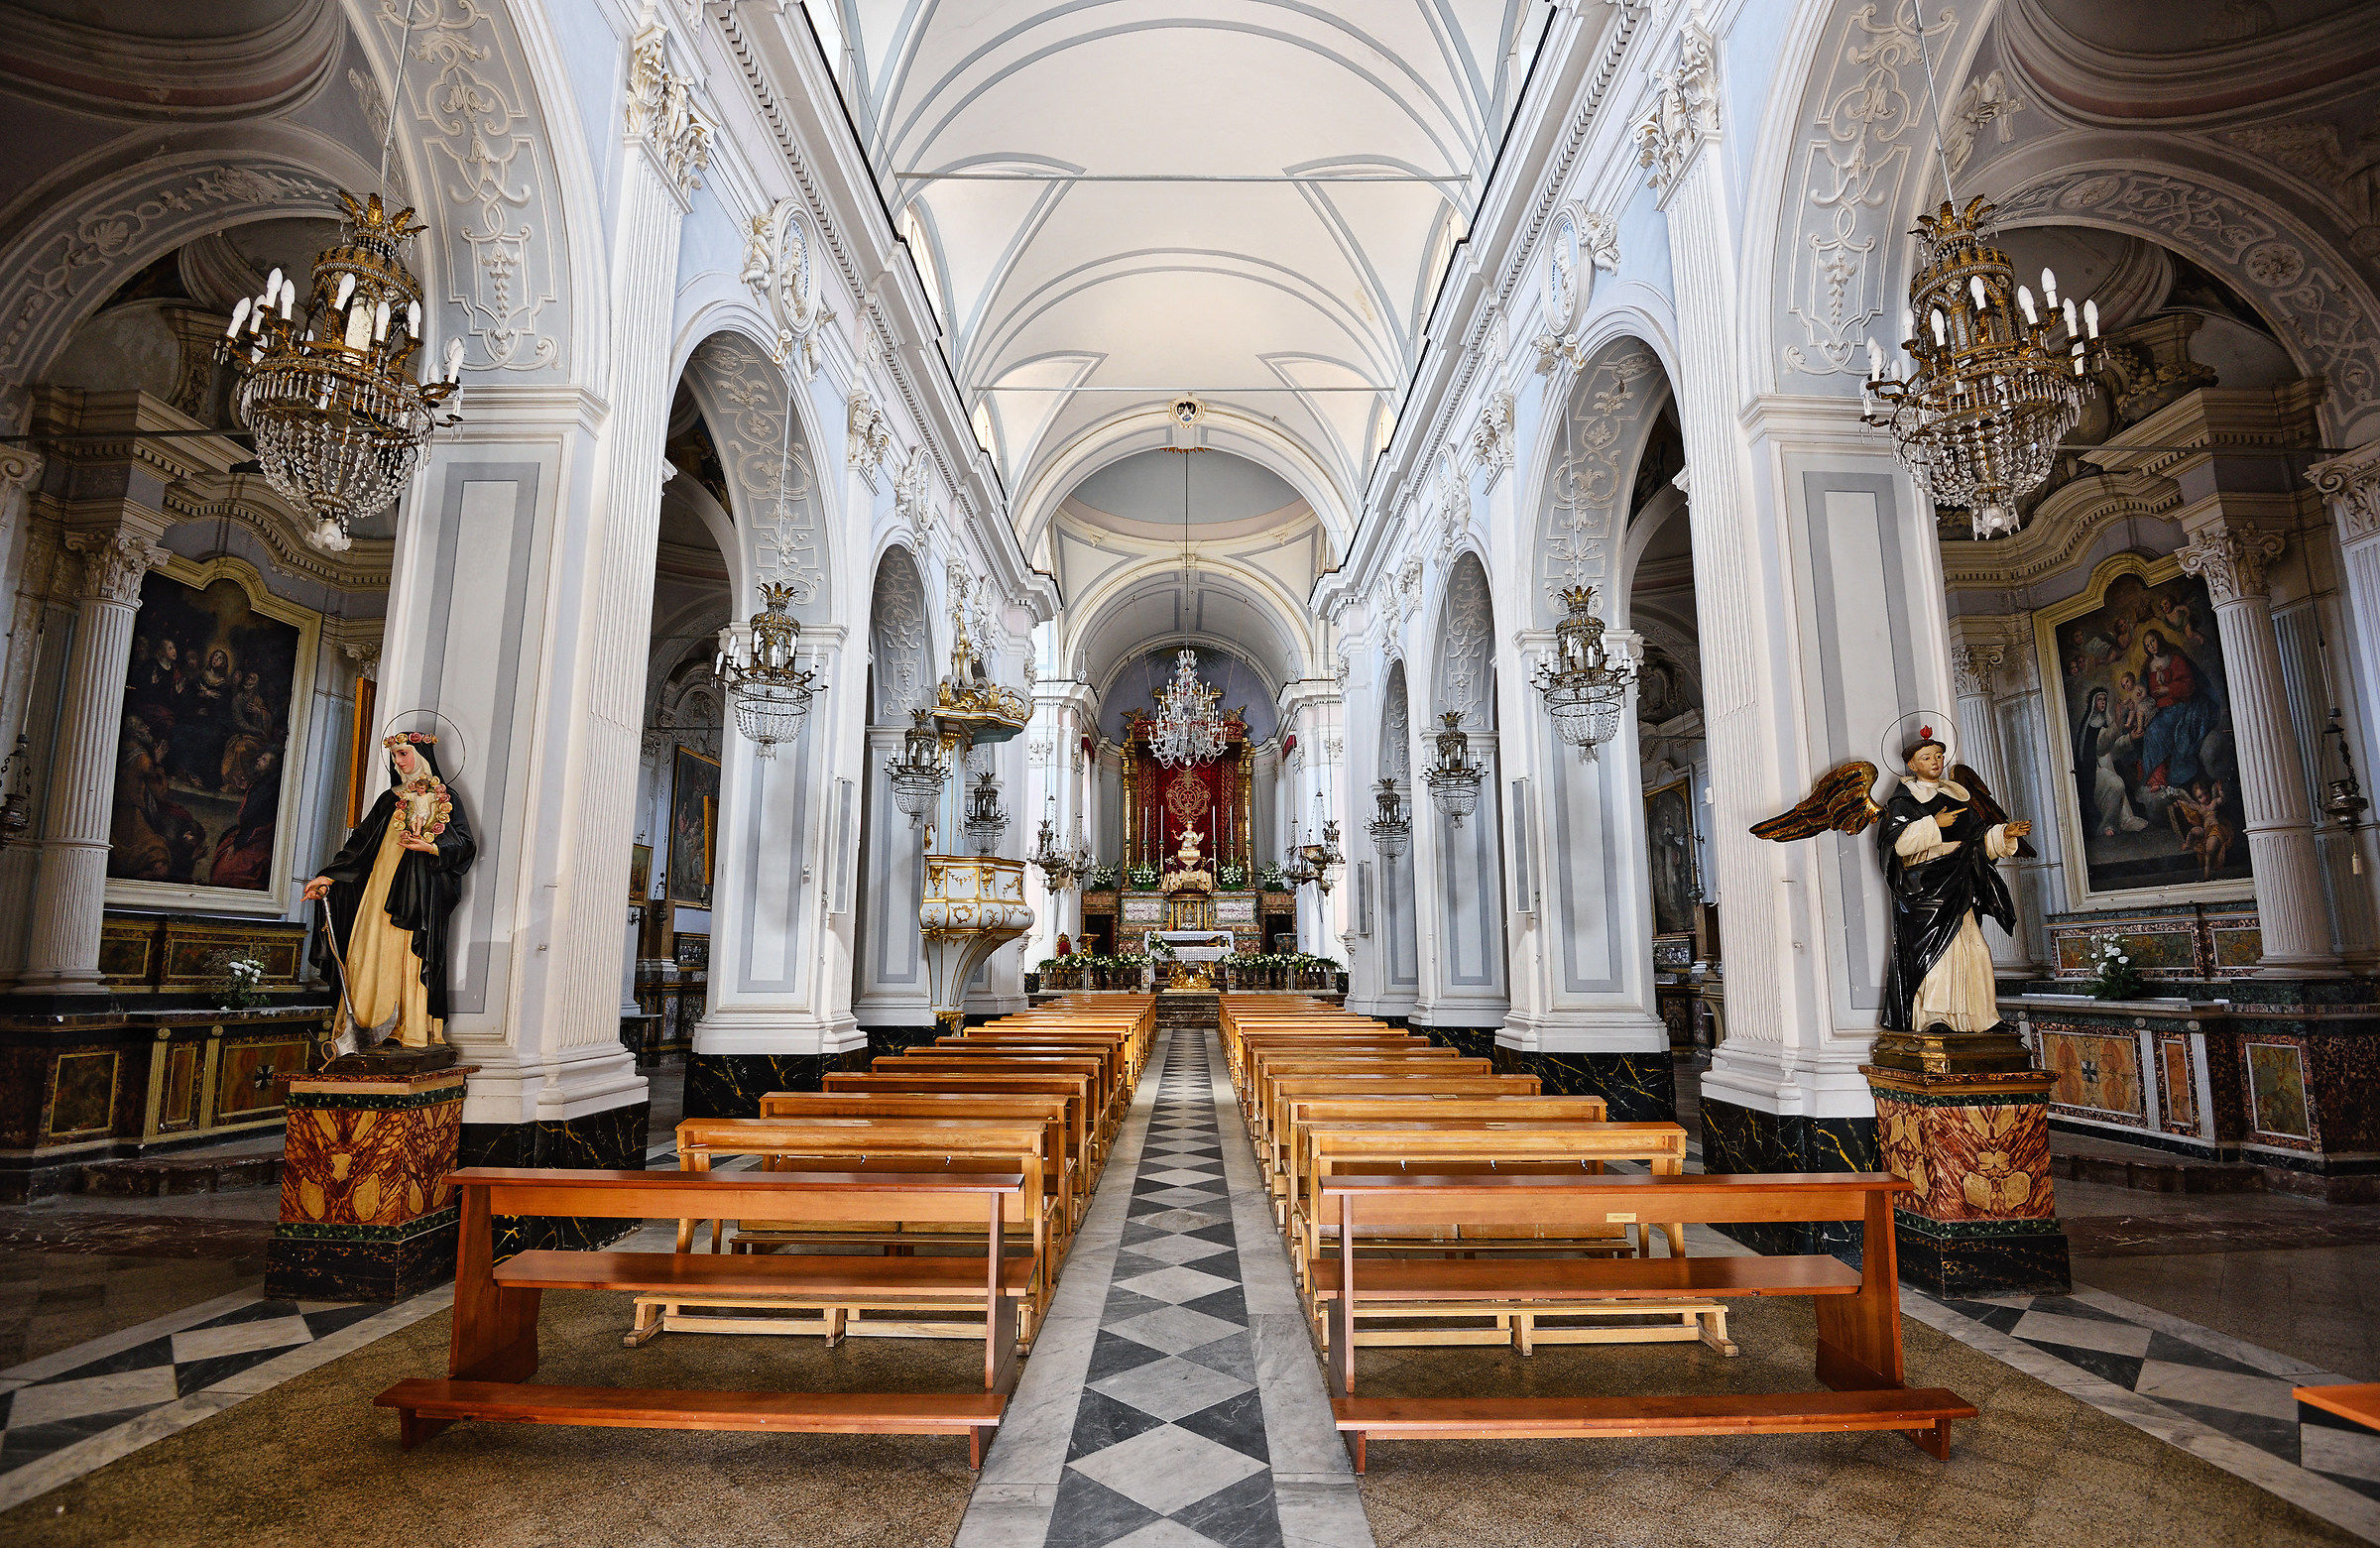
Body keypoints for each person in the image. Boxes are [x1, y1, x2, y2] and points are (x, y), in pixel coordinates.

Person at [304, 733, 476, 1050]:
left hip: (417, 892)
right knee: (368, 951)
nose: (398, 762)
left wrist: (431, 847)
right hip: (378, 890)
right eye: (395, 756)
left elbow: (465, 844)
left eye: (403, 754)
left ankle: (409, 1026)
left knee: (408, 952)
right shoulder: (389, 799)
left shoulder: (444, 797)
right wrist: (329, 877)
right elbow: (360, 846)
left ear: (421, 754)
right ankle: (364, 1025)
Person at [1877, 736, 2033, 1035]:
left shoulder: (1957, 796)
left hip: (1959, 883)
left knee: (1975, 951)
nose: (1935, 762)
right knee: (1937, 955)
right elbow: (1896, 846)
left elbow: (1976, 842)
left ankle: (1982, 1018)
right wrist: (1933, 824)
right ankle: (1933, 1017)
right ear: (1912, 765)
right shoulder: (1903, 802)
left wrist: (2003, 834)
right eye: (1926, 757)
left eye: (1938, 755)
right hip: (1925, 891)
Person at [2137, 629, 2221, 791]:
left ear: (2159, 639)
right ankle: (2156, 777)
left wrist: (2168, 689)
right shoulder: (2147, 667)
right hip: (2160, 711)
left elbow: (2189, 684)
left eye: (2152, 641)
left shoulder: (2174, 659)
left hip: (2180, 706)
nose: (2151, 646)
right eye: (2147, 645)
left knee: (2167, 733)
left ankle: (2169, 777)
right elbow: (2144, 691)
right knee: (2152, 732)